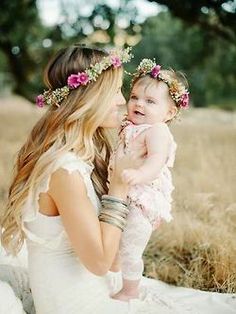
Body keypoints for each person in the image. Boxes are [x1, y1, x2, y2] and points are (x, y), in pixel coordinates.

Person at [1, 45, 195, 314]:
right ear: (90, 98)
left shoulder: (79, 156)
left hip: (97, 286)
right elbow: (102, 263)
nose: (121, 100)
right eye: (115, 90)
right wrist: (119, 186)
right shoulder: (64, 170)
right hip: (77, 305)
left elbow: (112, 259)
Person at [109, 59, 189, 301]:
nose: (138, 104)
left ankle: (130, 290)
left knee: (130, 247)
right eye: (134, 97)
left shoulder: (157, 131)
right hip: (124, 192)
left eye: (150, 101)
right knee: (114, 240)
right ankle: (112, 275)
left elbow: (156, 161)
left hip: (143, 199)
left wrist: (139, 174)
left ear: (169, 112)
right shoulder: (130, 126)